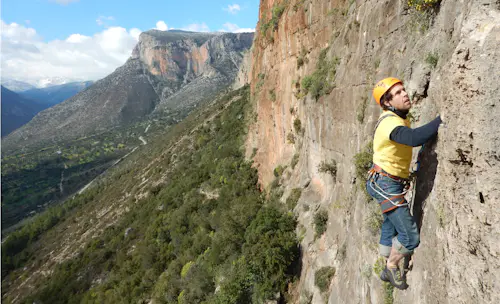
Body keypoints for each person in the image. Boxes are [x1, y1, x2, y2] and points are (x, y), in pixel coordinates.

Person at [366, 77, 442, 290]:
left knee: (390, 223)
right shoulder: (389, 122)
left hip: (385, 181)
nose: (405, 94)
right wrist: (441, 119)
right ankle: (391, 266)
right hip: (385, 183)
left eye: (403, 90)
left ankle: (384, 264)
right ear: (387, 102)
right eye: (398, 93)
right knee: (410, 236)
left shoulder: (396, 118)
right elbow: (413, 138)